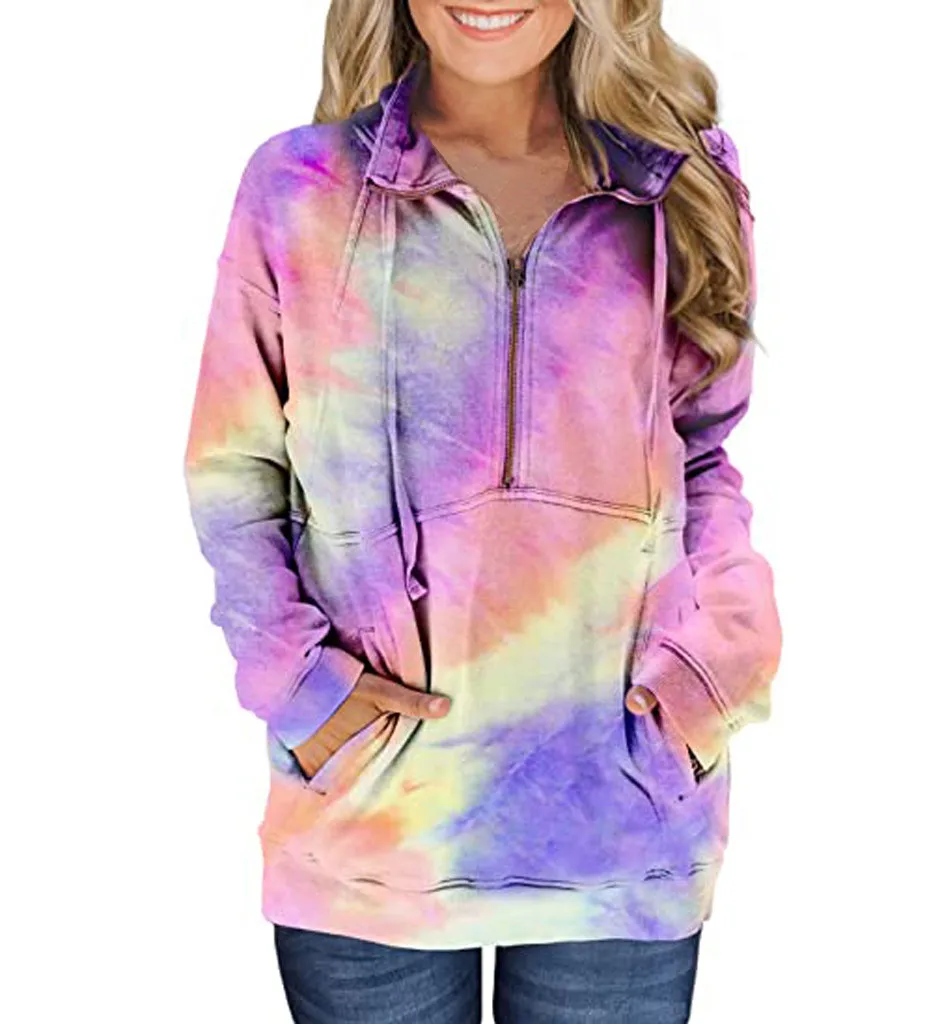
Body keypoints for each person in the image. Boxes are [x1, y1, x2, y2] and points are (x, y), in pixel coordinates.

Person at [183, 0, 782, 1019]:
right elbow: (235, 467)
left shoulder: (678, 180)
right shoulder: (301, 187)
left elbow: (703, 453)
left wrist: (714, 667)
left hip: (622, 819)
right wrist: (301, 688)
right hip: (374, 822)